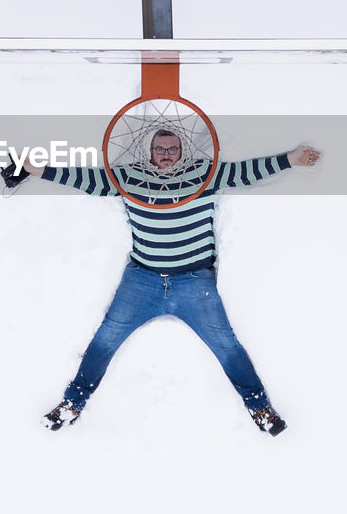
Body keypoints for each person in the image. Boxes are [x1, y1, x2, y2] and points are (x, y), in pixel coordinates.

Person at [18, 129, 321, 436]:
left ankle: (260, 408)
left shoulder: (203, 173)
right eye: (160, 149)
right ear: (150, 152)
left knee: (227, 346)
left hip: (194, 283)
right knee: (105, 339)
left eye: (172, 149)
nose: (166, 154)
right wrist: (37, 169)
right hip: (143, 281)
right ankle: (72, 405)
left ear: (181, 151)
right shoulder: (128, 178)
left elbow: (245, 172)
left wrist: (291, 160)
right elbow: (85, 179)